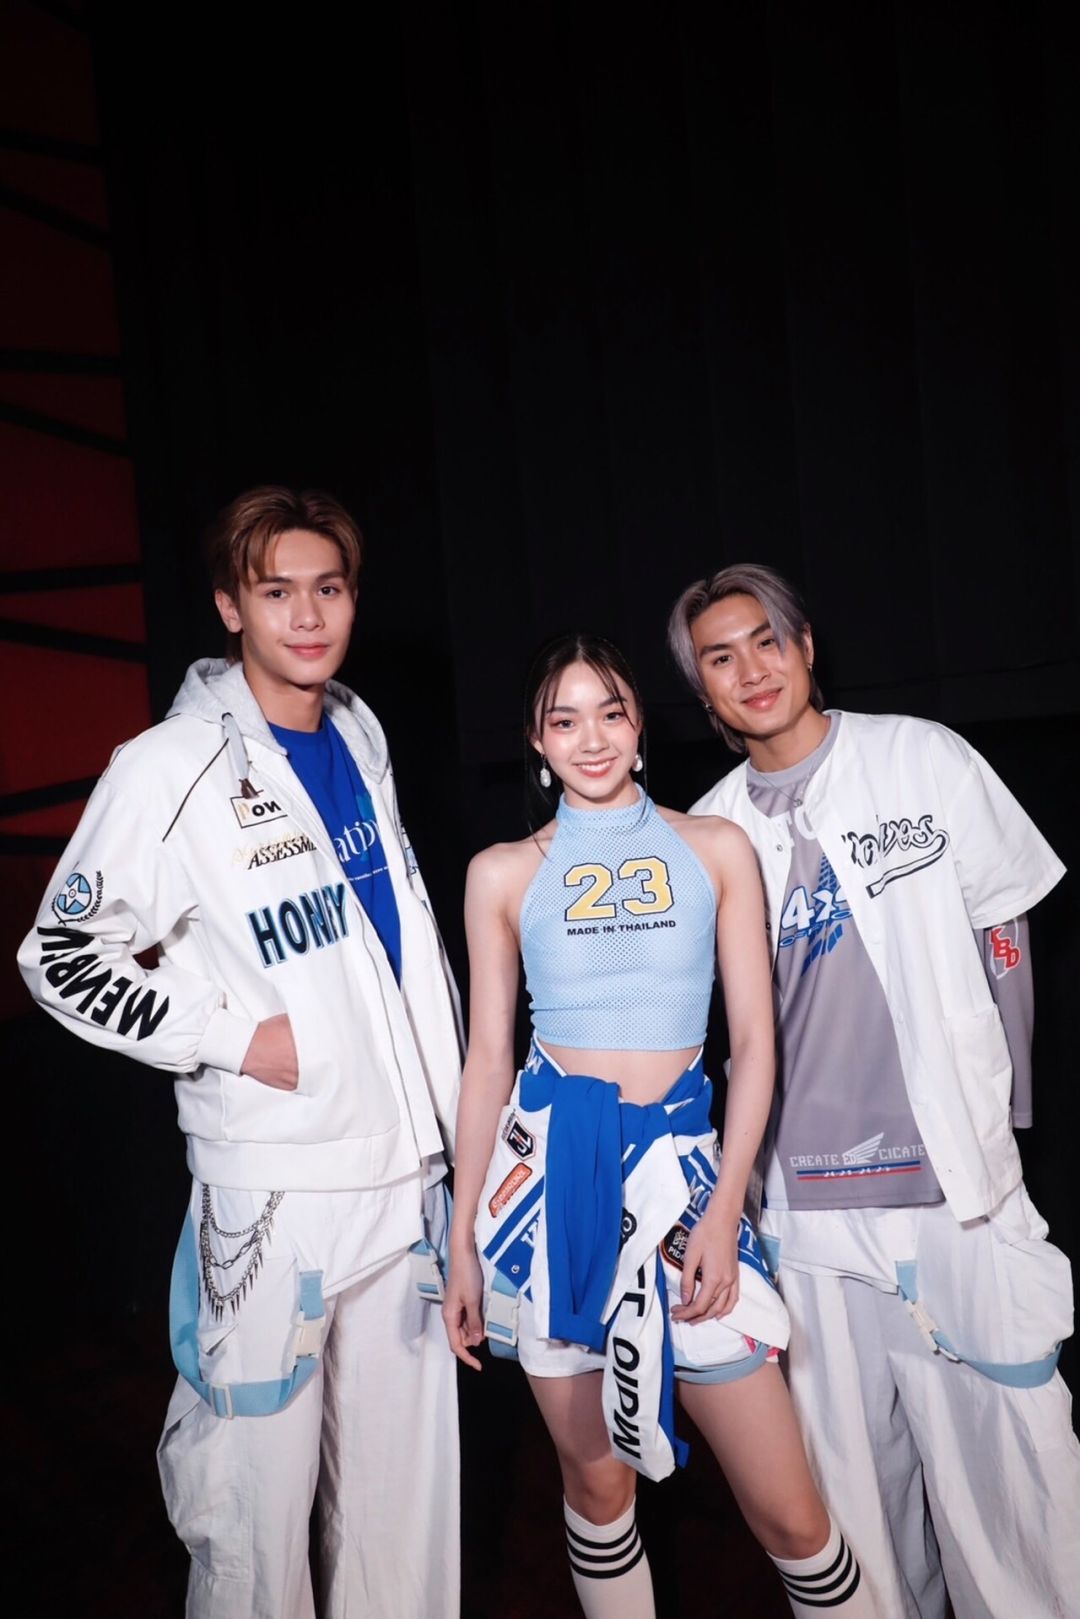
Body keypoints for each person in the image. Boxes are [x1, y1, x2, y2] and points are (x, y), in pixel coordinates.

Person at [18, 487, 462, 1619]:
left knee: (403, 1515)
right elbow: (57, 952)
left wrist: (451, 1140)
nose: (307, 616)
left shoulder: (357, 728)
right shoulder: (166, 765)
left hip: (403, 1175)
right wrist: (231, 1036)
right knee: (253, 1518)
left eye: (329, 588)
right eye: (276, 592)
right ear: (230, 605)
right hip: (274, 1192)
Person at [668, 562, 1080, 1619]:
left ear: (805, 646)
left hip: (954, 1190)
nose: (752, 670)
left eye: (766, 641)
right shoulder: (704, 831)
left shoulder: (920, 755)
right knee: (854, 1503)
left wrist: (999, 1118)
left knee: (1019, 1481)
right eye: (720, 657)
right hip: (806, 1213)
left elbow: (1004, 925)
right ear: (703, 690)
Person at [442, 632, 873, 1619]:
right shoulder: (501, 871)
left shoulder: (713, 847)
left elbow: (753, 1045)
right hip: (554, 1187)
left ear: (640, 723)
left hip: (685, 1186)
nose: (591, 737)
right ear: (536, 740)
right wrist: (460, 1237)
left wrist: (724, 1212)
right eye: (564, 719)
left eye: (611, 712)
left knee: (791, 1515)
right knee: (598, 1488)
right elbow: (487, 1060)